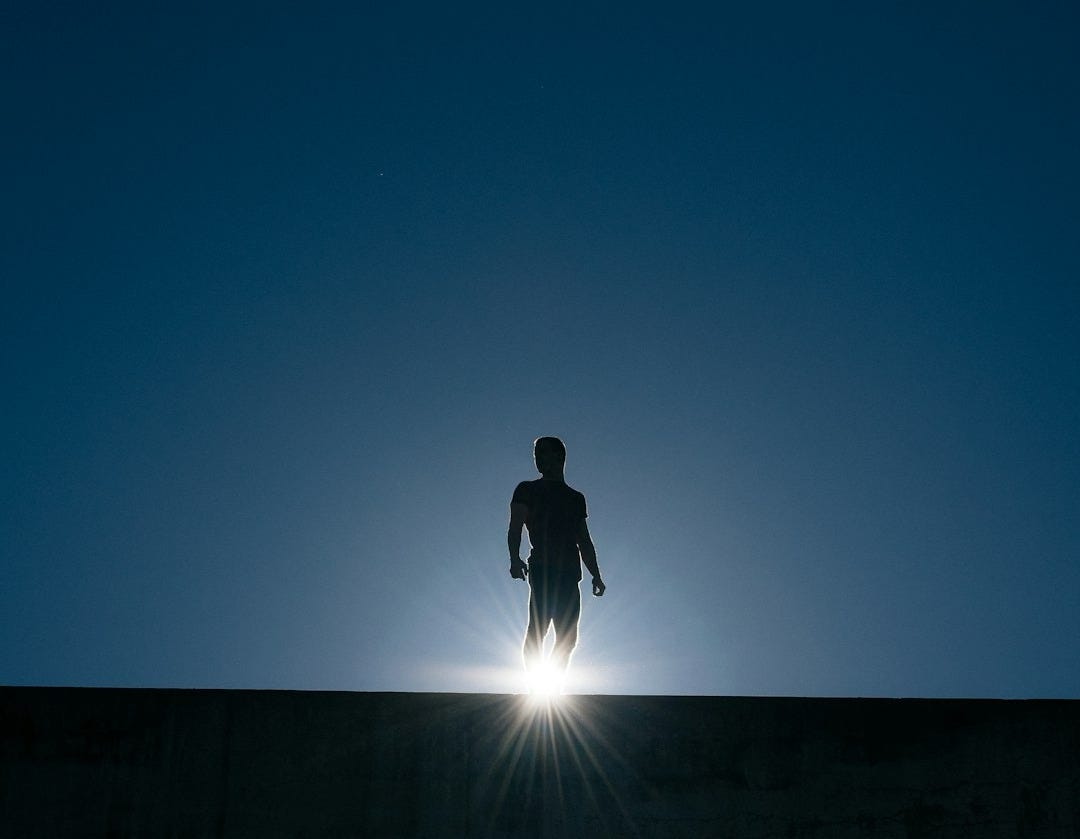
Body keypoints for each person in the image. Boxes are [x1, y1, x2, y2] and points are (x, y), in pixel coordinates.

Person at [507, 436, 605, 683]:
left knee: (568, 637)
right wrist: (514, 558)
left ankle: (551, 689)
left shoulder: (575, 497)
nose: (538, 458)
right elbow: (515, 526)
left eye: (543, 453)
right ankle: (535, 690)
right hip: (542, 567)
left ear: (559, 457)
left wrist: (595, 574)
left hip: (570, 573)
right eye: (536, 454)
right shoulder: (527, 489)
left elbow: (584, 539)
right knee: (538, 630)